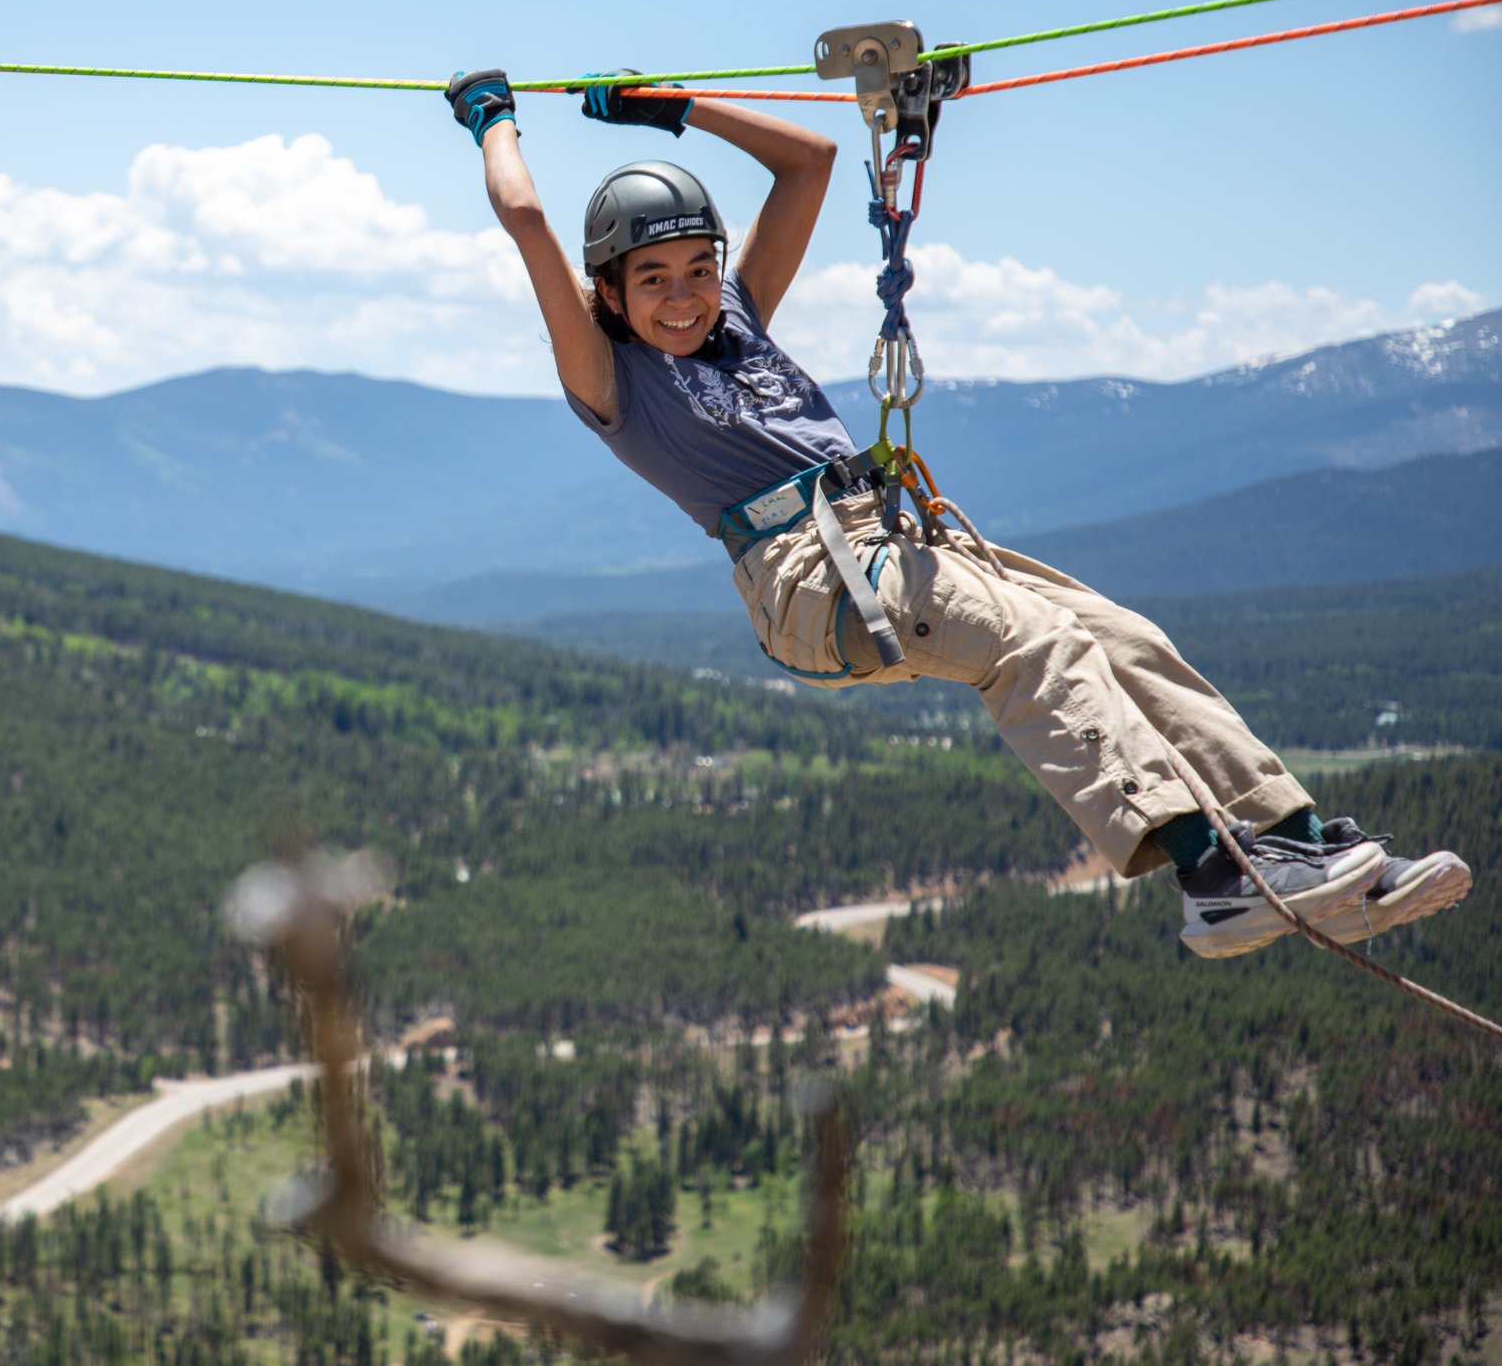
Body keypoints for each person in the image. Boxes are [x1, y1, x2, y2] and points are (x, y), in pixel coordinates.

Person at [443, 67, 1471, 958]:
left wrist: (675, 112)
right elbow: (529, 222)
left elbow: (805, 163)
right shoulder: (612, 382)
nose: (682, 295)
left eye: (697, 270)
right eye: (652, 279)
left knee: (1124, 637)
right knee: (1034, 642)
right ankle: (1212, 877)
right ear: (608, 294)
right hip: (806, 577)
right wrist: (494, 117)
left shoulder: (739, 321)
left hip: (884, 537)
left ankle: (1292, 839)